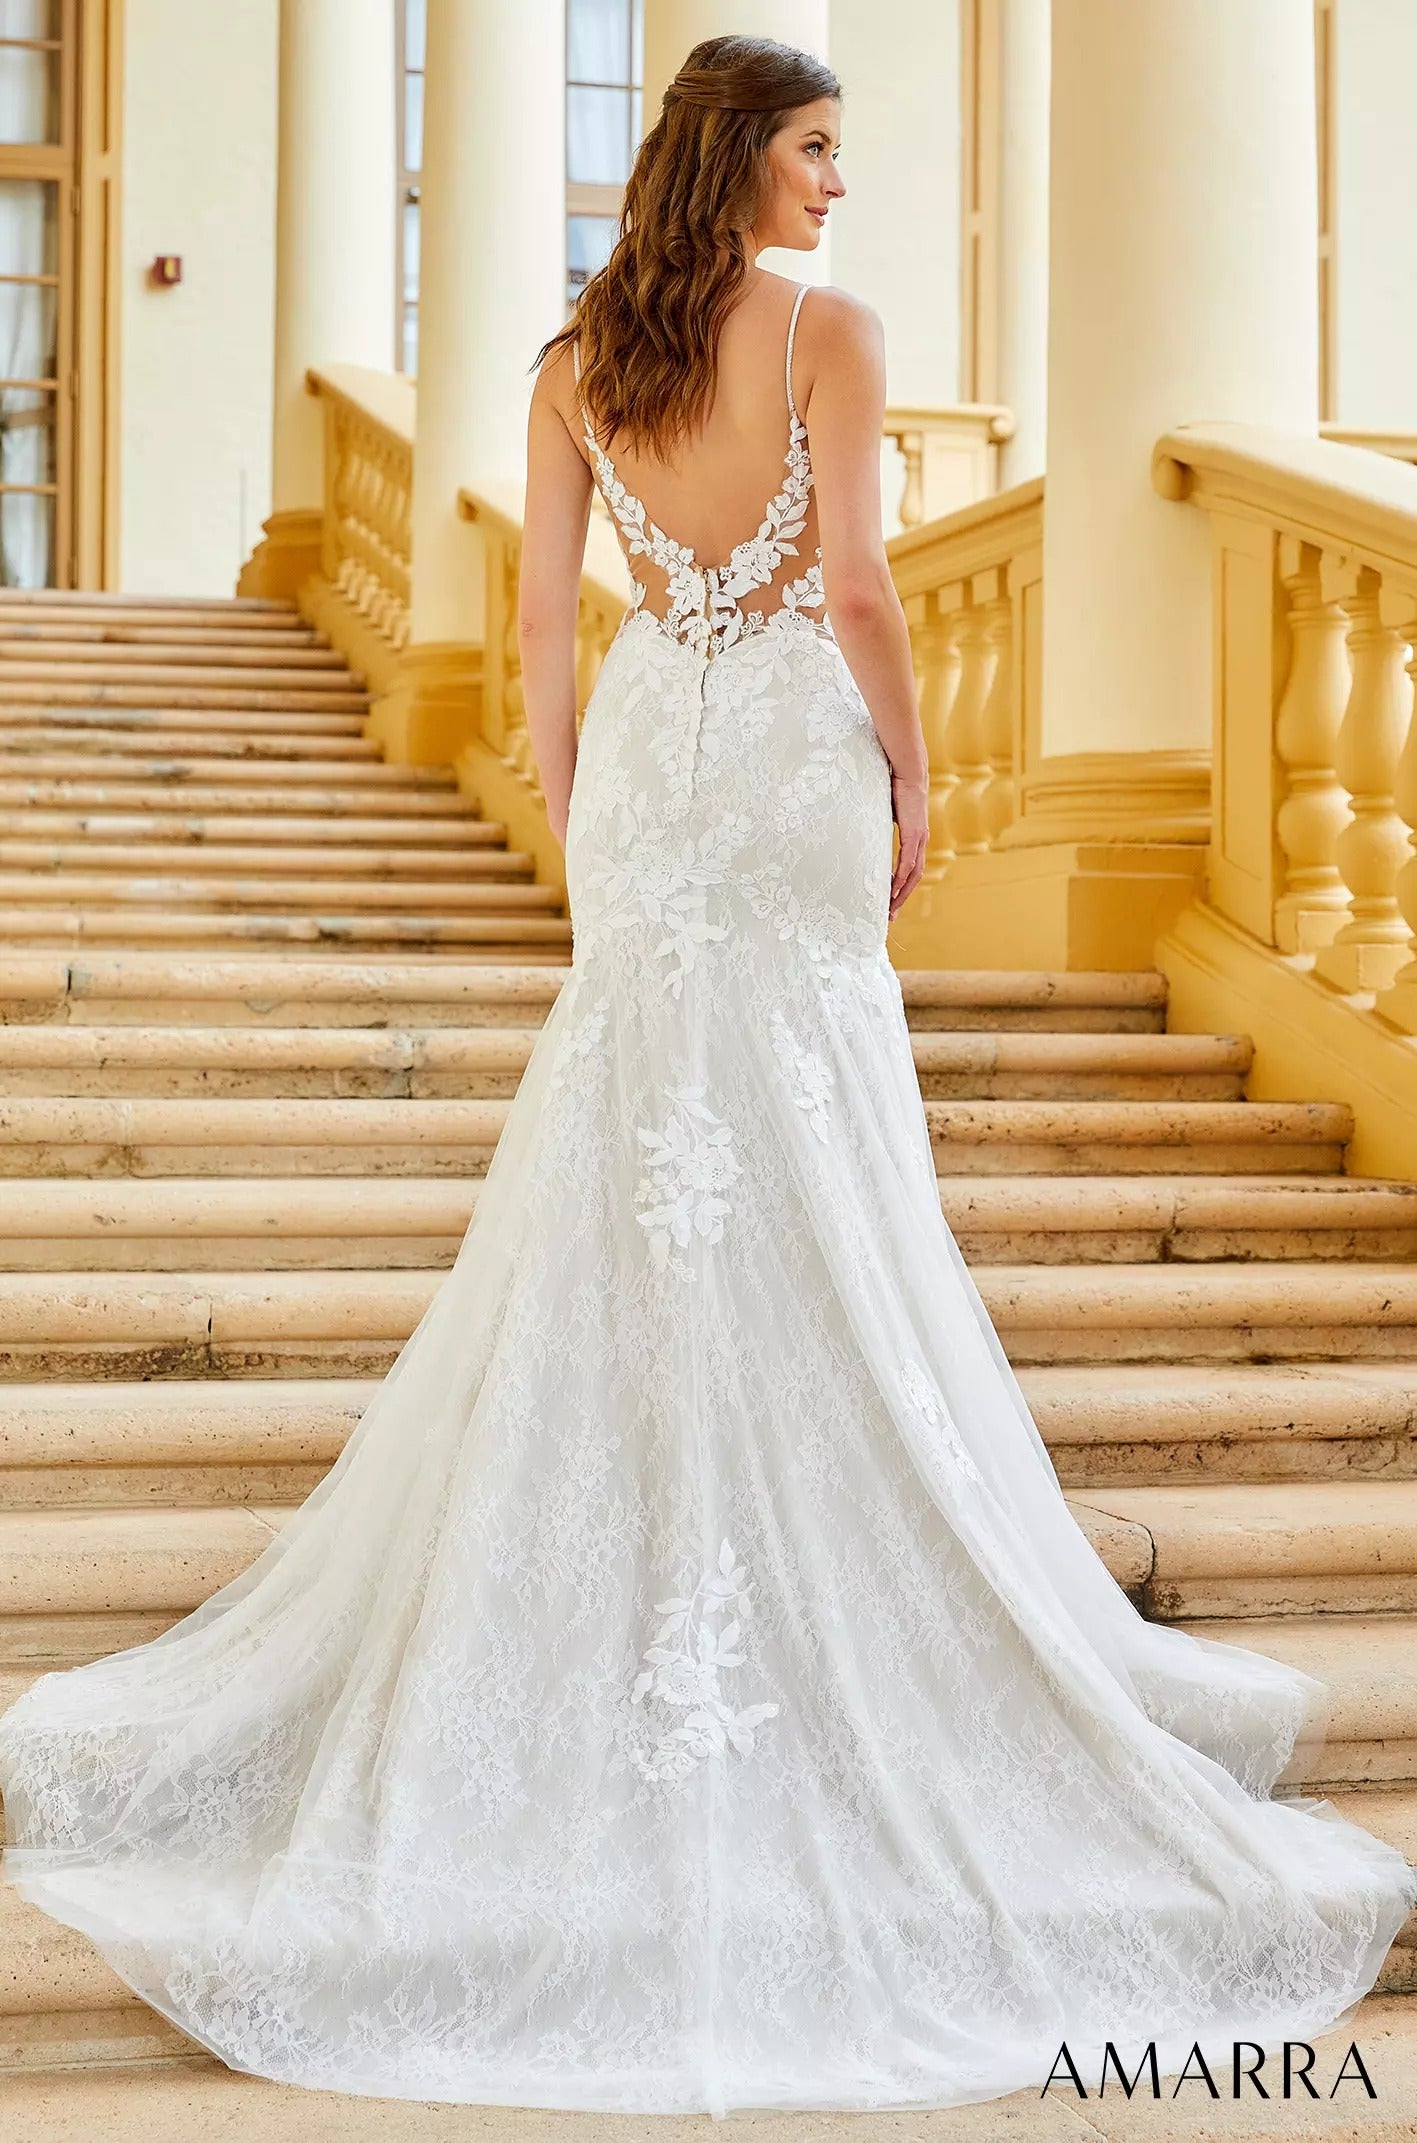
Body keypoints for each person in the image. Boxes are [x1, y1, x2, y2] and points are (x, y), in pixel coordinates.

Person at [1, 32, 1413, 2119]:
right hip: (784, 762)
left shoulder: (576, 361)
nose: (837, 184)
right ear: (743, 153)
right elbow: (856, 590)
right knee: (811, 1143)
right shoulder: (826, 330)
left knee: (637, 1138)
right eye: (818, 149)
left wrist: (585, 806)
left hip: (656, 759)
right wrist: (914, 781)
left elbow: (543, 631)